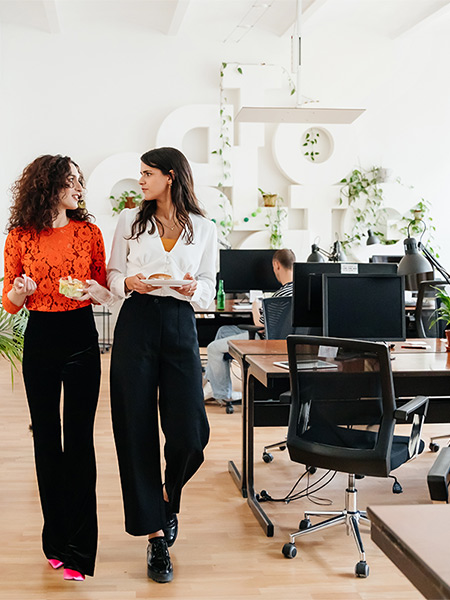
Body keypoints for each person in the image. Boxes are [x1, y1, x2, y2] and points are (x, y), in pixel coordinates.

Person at [107, 147, 216, 584]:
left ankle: (168, 495)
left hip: (179, 321)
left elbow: (209, 283)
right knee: (134, 428)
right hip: (136, 322)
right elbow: (114, 276)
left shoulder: (204, 228)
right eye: (140, 174)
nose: (141, 181)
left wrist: (194, 291)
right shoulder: (129, 223)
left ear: (170, 177)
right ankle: (155, 538)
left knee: (191, 432)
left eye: (147, 174)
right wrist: (127, 282)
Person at [2, 154, 111, 581]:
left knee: (79, 441)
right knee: (47, 440)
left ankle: (82, 552)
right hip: (41, 338)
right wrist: (19, 289)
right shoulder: (19, 237)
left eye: (80, 181)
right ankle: (56, 541)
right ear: (48, 186)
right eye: (71, 182)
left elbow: (104, 294)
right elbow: (10, 303)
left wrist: (94, 289)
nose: (79, 188)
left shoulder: (89, 233)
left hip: (82, 336)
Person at [204, 248, 295, 403]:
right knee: (223, 331)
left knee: (213, 348)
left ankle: (223, 395)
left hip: (265, 340)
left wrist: (254, 306)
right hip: (283, 339)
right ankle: (214, 383)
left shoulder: (280, 295)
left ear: (276, 265)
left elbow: (260, 325)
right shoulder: (296, 290)